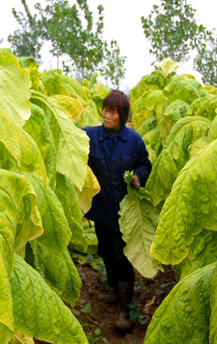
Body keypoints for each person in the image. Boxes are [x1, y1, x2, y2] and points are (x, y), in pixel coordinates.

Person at [83, 89, 152, 332]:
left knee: (123, 258)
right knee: (106, 252)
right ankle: (114, 289)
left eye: (112, 111)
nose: (106, 113)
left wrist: (138, 177)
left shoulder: (134, 141)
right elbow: (72, 142)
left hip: (125, 213)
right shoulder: (90, 136)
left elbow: (145, 164)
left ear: (122, 115)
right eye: (104, 109)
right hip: (101, 209)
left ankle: (126, 308)